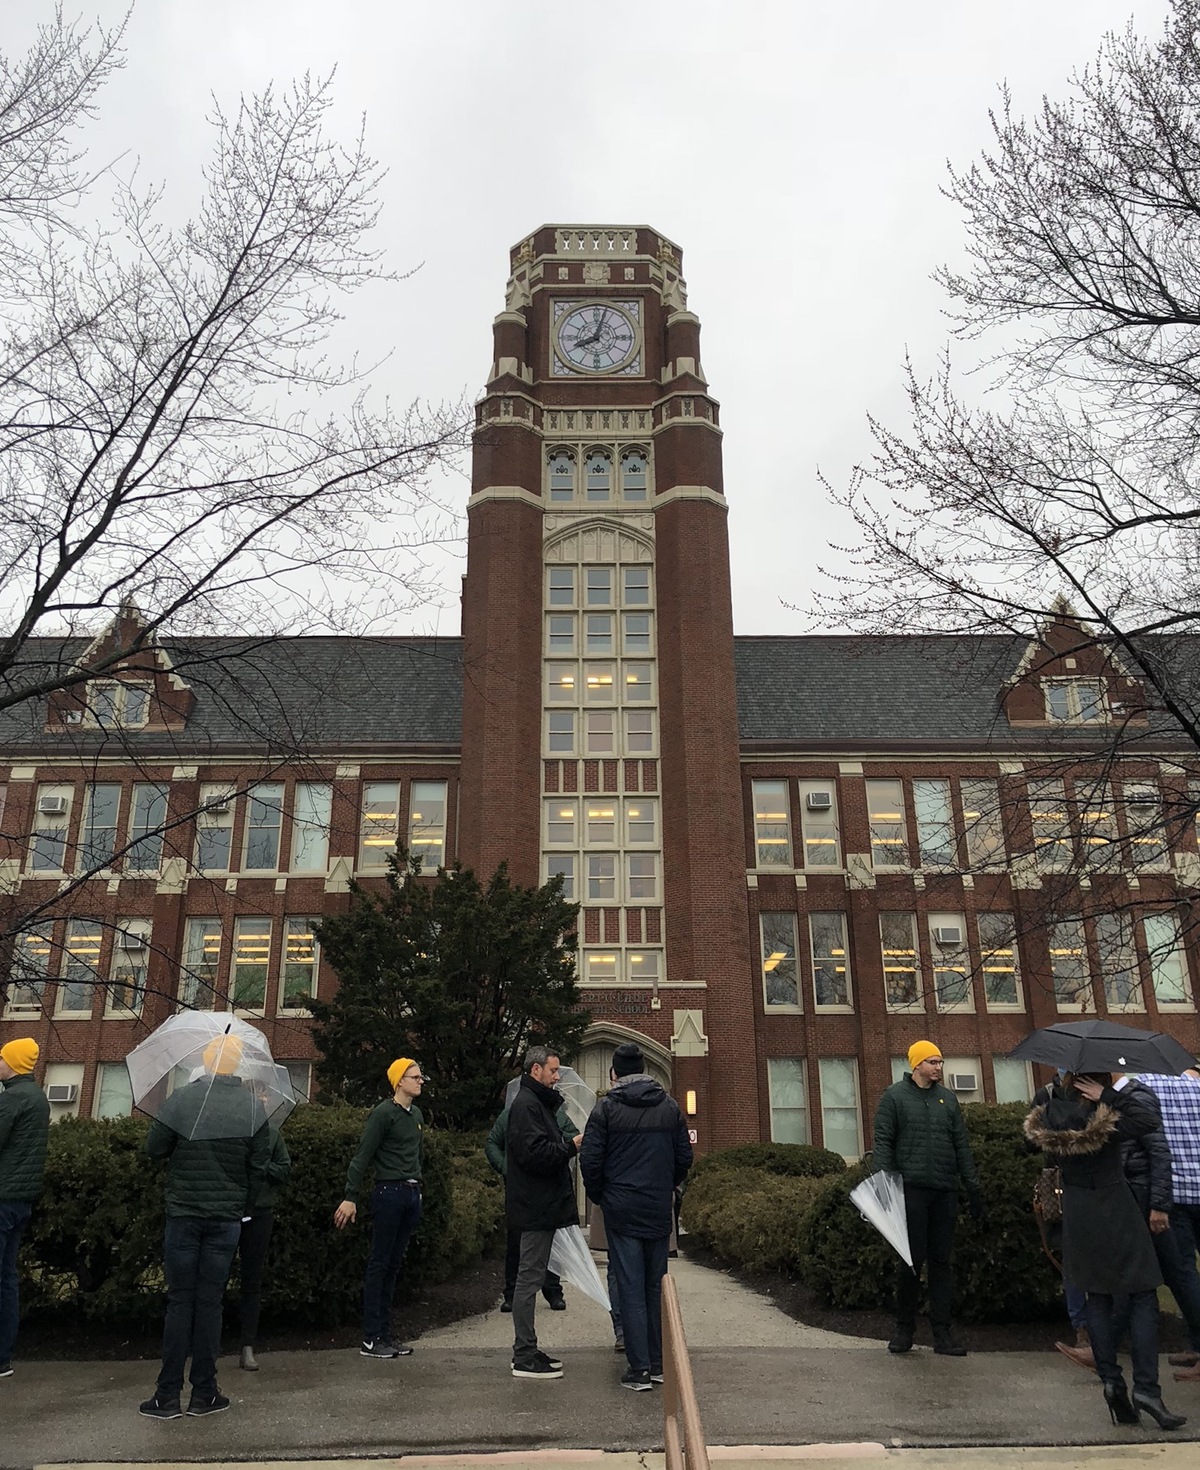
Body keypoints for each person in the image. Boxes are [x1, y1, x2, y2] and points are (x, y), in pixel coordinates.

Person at [1025, 1072, 1186, 1430]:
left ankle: (1112, 1383)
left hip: (1078, 1217)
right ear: (1094, 1085)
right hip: (1116, 1207)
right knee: (1142, 1294)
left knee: (1097, 1298)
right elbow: (1148, 1120)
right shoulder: (1104, 1120)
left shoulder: (1050, 1114)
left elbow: (1028, 1143)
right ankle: (1147, 1389)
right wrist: (1109, 1095)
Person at [139, 1035, 269, 1420]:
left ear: (209, 1063)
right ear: (236, 1066)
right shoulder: (250, 1107)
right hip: (225, 1219)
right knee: (211, 1303)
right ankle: (205, 1393)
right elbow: (258, 1166)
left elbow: (153, 1149)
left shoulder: (182, 1099)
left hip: (183, 1214)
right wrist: (240, 1206)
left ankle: (166, 1396)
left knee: (180, 1301)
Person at [580, 1042, 692, 1391]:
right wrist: (665, 1188)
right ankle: (658, 1364)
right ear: (643, 1070)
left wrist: (603, 1196)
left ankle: (639, 1369)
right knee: (655, 1285)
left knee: (629, 1287)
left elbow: (590, 1161)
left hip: (622, 1209)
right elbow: (684, 1158)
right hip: (657, 1209)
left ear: (614, 1073)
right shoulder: (670, 1107)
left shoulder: (606, 1110)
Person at [871, 1039, 982, 1356]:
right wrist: (887, 1189)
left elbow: (961, 1146)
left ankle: (942, 1334)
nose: (939, 1067)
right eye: (933, 1061)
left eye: (940, 1062)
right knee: (909, 1262)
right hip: (911, 1193)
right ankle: (904, 1330)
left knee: (941, 1263)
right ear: (916, 1064)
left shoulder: (948, 1100)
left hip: (944, 1191)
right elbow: (883, 1145)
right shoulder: (894, 1098)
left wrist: (971, 1187)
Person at [334, 1057, 425, 1360]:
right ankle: (372, 1337)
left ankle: (386, 1334)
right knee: (380, 1263)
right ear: (399, 1081)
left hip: (411, 1194)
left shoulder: (417, 1115)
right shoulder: (383, 1114)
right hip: (389, 1193)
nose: (420, 1081)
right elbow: (363, 1156)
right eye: (414, 1077)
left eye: (420, 1076)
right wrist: (350, 1195)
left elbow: (415, 1155)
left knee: (394, 1265)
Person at [506, 1045, 582, 1380]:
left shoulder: (538, 1104)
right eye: (553, 1071)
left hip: (541, 1206)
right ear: (535, 1070)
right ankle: (523, 1355)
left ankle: (528, 1347)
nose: (556, 1077)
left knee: (533, 1277)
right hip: (534, 1208)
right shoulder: (526, 1106)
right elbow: (533, 1154)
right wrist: (570, 1147)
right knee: (529, 1278)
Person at [1134, 1067, 1200, 1381]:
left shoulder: (1142, 1087)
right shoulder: (1197, 1087)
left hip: (1173, 1195)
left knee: (1185, 1273)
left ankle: (1198, 1344)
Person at [1032, 1072, 1094, 1371]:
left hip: (1100, 1188)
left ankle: (1106, 1327)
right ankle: (1082, 1328)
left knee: (1104, 1259)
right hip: (1063, 1184)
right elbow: (1033, 1140)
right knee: (1071, 1259)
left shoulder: (1100, 1092)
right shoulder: (1048, 1095)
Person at [485, 1103, 568, 1313]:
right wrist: (505, 1168)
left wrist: (558, 1151)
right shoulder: (511, 1113)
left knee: (551, 1241)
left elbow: (572, 1137)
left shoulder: (557, 1114)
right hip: (520, 1189)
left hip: (549, 1188)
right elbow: (492, 1143)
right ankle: (511, 1294)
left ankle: (553, 1290)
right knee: (515, 1241)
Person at [0, 1038, 50, 1379]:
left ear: (14, 1064)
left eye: (1, 1058)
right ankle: (3, 1355)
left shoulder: (13, 1099)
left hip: (2, 1197)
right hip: (21, 1199)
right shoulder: (38, 1098)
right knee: (7, 1277)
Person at [236, 1118, 292, 1370]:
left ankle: (247, 1346)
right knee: (212, 1279)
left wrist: (263, 1167)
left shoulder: (272, 1135)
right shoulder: (232, 1130)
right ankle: (206, 1345)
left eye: (265, 1094)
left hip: (260, 1213)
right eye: (258, 1093)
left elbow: (284, 1169)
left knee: (252, 1280)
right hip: (229, 1210)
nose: (264, 1098)